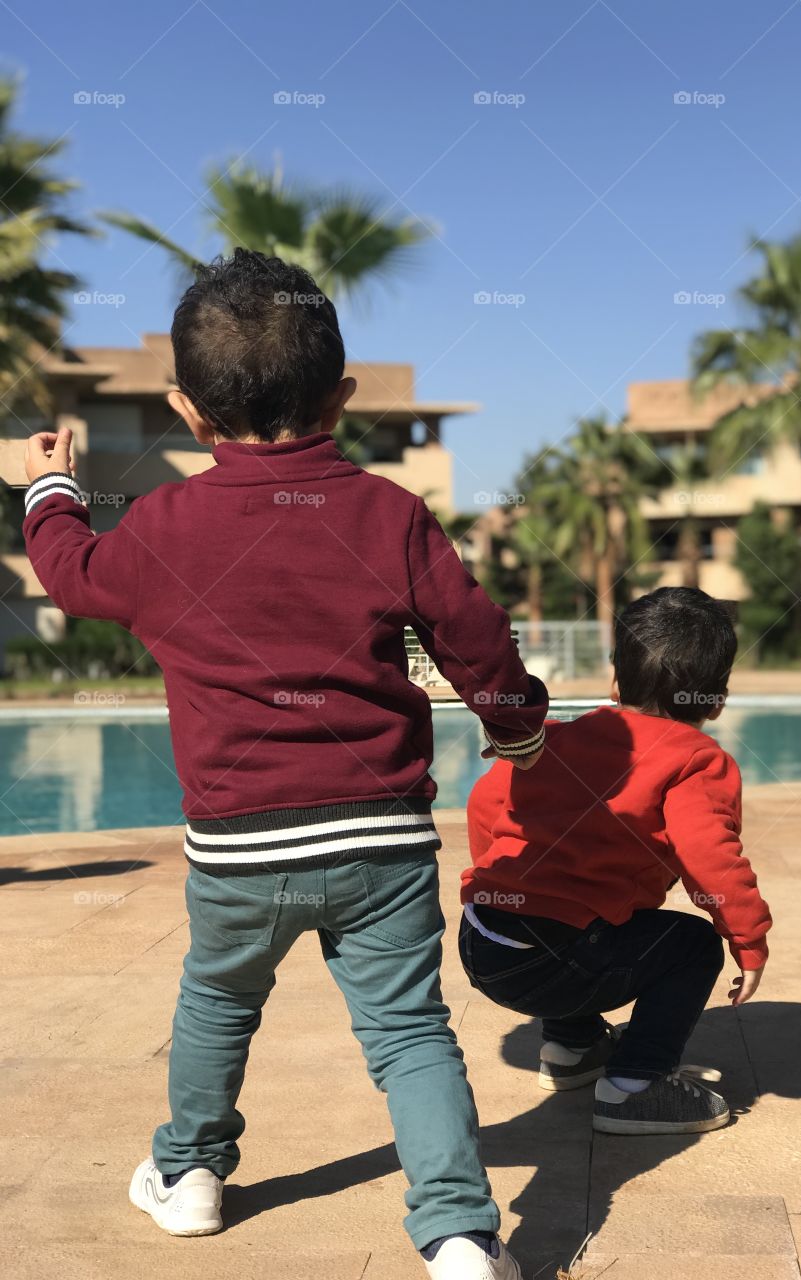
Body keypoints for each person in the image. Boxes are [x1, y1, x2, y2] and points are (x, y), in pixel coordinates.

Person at [22, 248, 548, 1280]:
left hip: (237, 845)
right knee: (407, 1031)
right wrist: (516, 726)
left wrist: (49, 483)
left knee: (218, 1002)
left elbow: (71, 574)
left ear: (187, 409)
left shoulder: (168, 525)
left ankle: (191, 1175)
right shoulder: (388, 513)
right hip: (382, 836)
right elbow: (475, 638)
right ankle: (457, 1234)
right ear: (341, 397)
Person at [460, 586, 771, 1135]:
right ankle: (634, 1087)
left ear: (614, 680)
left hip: (483, 939)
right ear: (717, 699)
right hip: (554, 957)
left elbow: (486, 804)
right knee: (690, 945)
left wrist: (504, 882)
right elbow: (710, 860)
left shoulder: (550, 741)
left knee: (587, 917)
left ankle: (572, 1048)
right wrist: (747, 938)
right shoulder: (695, 760)